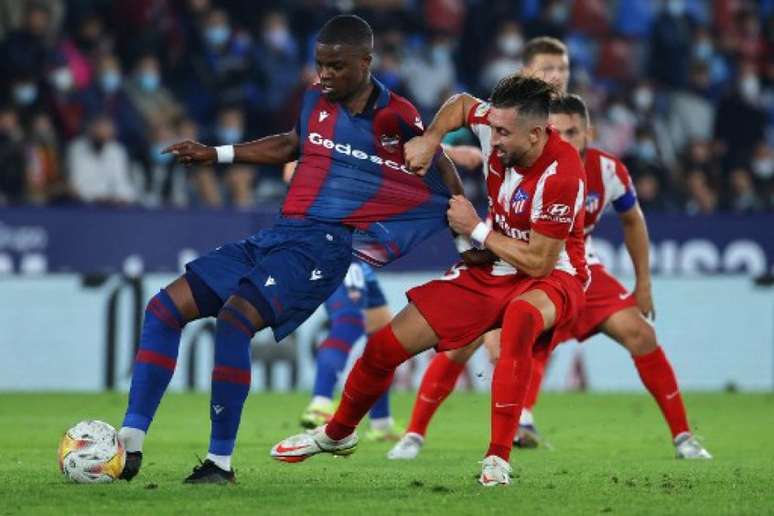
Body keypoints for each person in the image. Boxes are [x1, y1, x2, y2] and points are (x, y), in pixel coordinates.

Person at [116, 14, 462, 484]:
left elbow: (437, 163)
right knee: (162, 308)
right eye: (320, 65)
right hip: (280, 233)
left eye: (336, 66)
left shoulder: (395, 114)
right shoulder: (314, 100)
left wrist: (467, 231)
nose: (325, 75)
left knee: (236, 319)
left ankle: (219, 464)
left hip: (324, 246)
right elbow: (292, 145)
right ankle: (128, 445)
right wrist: (216, 154)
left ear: (365, 62)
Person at [270, 75, 589, 487]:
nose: (493, 139)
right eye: (492, 127)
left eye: (504, 133)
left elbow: (540, 262)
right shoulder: (497, 126)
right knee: (384, 345)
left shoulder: (563, 174)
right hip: (494, 265)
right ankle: (337, 434)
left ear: (536, 134)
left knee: (521, 318)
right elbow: (459, 102)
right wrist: (431, 138)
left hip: (554, 275)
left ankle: (498, 458)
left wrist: (474, 230)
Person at [388, 94, 712, 461]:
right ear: (540, 133)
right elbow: (471, 121)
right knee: (467, 342)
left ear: (590, 132)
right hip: (510, 259)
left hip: (574, 266)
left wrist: (644, 284)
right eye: (559, 131)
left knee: (640, 333)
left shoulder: (608, 171)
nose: (566, 139)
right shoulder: (524, 158)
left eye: (574, 131)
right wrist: (437, 143)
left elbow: (633, 220)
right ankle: (414, 434)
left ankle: (684, 437)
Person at [301, 259, 402, 441]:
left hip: (361, 258)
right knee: (349, 323)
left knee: (384, 338)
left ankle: (381, 423)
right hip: (339, 249)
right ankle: (320, 405)